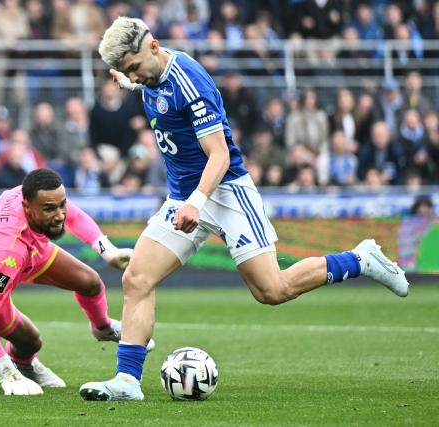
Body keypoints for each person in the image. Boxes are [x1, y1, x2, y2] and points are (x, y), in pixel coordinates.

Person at [79, 16, 410, 402]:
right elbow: (149, 83)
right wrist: (129, 79)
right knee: (137, 279)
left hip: (225, 191)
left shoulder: (189, 81)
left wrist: (196, 203)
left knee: (272, 289)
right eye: (125, 72)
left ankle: (360, 258)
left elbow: (218, 156)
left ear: (153, 47)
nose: (134, 76)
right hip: (183, 198)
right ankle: (127, 381)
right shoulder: (149, 74)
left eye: (133, 67)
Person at [0, 168, 150, 396]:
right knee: (30, 342)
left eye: (61, 205)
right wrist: (5, 373)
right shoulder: (9, 251)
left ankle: (103, 328)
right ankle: (19, 367)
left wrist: (109, 252)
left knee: (89, 282)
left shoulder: (33, 195)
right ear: (27, 207)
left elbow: (73, 214)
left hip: (16, 244)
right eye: (49, 209)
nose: (60, 215)